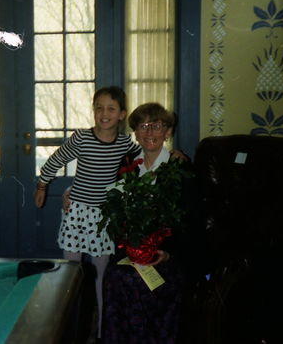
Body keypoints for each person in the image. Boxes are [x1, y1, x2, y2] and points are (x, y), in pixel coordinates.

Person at [34, 86, 139, 341]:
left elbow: (147, 159)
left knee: (101, 276)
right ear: (93, 111)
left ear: (122, 114)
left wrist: (172, 156)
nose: (104, 113)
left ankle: (102, 330)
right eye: (99, 108)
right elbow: (56, 159)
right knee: (70, 273)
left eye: (111, 108)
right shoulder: (82, 138)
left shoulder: (125, 143)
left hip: (104, 217)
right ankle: (67, 328)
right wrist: (42, 184)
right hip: (77, 213)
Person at [101, 102, 191, 344]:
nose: (150, 132)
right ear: (135, 132)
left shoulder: (179, 166)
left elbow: (188, 218)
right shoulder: (127, 162)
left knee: (138, 282)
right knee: (115, 276)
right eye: (143, 126)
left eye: (157, 126)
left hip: (166, 255)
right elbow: (115, 204)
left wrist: (168, 252)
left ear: (168, 132)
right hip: (130, 250)